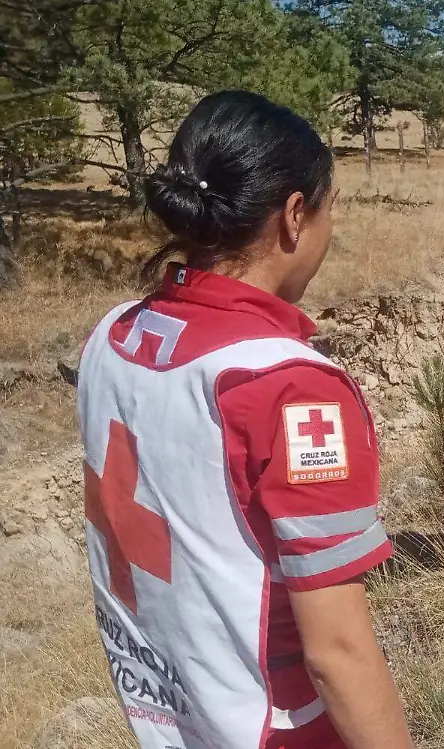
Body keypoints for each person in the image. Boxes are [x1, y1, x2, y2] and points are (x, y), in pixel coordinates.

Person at [78, 91, 413, 749]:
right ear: (294, 215)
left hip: (164, 712)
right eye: (331, 209)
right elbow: (337, 652)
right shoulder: (289, 387)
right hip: (276, 729)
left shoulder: (110, 335)